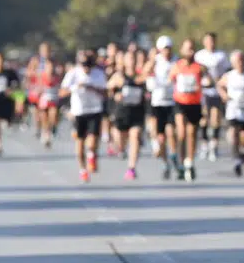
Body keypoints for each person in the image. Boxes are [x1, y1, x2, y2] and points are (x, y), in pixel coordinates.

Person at [60, 50, 108, 182]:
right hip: (79, 111)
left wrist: (92, 88)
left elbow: (105, 93)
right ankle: (82, 169)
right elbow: (62, 92)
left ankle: (92, 155)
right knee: (80, 141)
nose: (86, 68)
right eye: (84, 64)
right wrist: (75, 87)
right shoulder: (73, 74)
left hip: (94, 110)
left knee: (92, 141)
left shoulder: (98, 74)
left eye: (89, 65)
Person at [170, 39, 208, 182]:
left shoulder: (200, 68)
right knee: (181, 133)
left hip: (194, 103)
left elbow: (207, 80)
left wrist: (207, 82)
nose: (189, 51)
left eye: (192, 49)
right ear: (182, 51)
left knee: (191, 133)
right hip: (180, 102)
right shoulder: (176, 67)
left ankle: (189, 163)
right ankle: (180, 162)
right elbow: (170, 80)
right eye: (187, 49)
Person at [108, 49, 148, 180]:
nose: (132, 61)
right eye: (129, 58)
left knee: (135, 136)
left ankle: (131, 168)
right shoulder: (119, 76)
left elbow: (149, 90)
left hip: (137, 112)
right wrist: (115, 94)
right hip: (121, 113)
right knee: (121, 141)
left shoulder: (142, 76)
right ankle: (119, 148)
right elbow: (108, 89)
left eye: (134, 58)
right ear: (124, 61)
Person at [195, 32, 231, 162]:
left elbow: (227, 72)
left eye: (212, 40)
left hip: (216, 91)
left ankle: (214, 146)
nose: (210, 43)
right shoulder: (199, 56)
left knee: (215, 119)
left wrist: (221, 83)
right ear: (204, 42)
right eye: (208, 40)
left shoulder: (221, 56)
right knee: (203, 119)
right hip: (203, 92)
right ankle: (204, 144)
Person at [146, 37, 179, 179]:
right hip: (157, 102)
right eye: (164, 48)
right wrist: (152, 60)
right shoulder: (156, 61)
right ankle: (166, 163)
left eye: (169, 48)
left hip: (172, 101)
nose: (167, 51)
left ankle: (174, 155)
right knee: (160, 137)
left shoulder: (176, 61)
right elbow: (145, 72)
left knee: (171, 132)